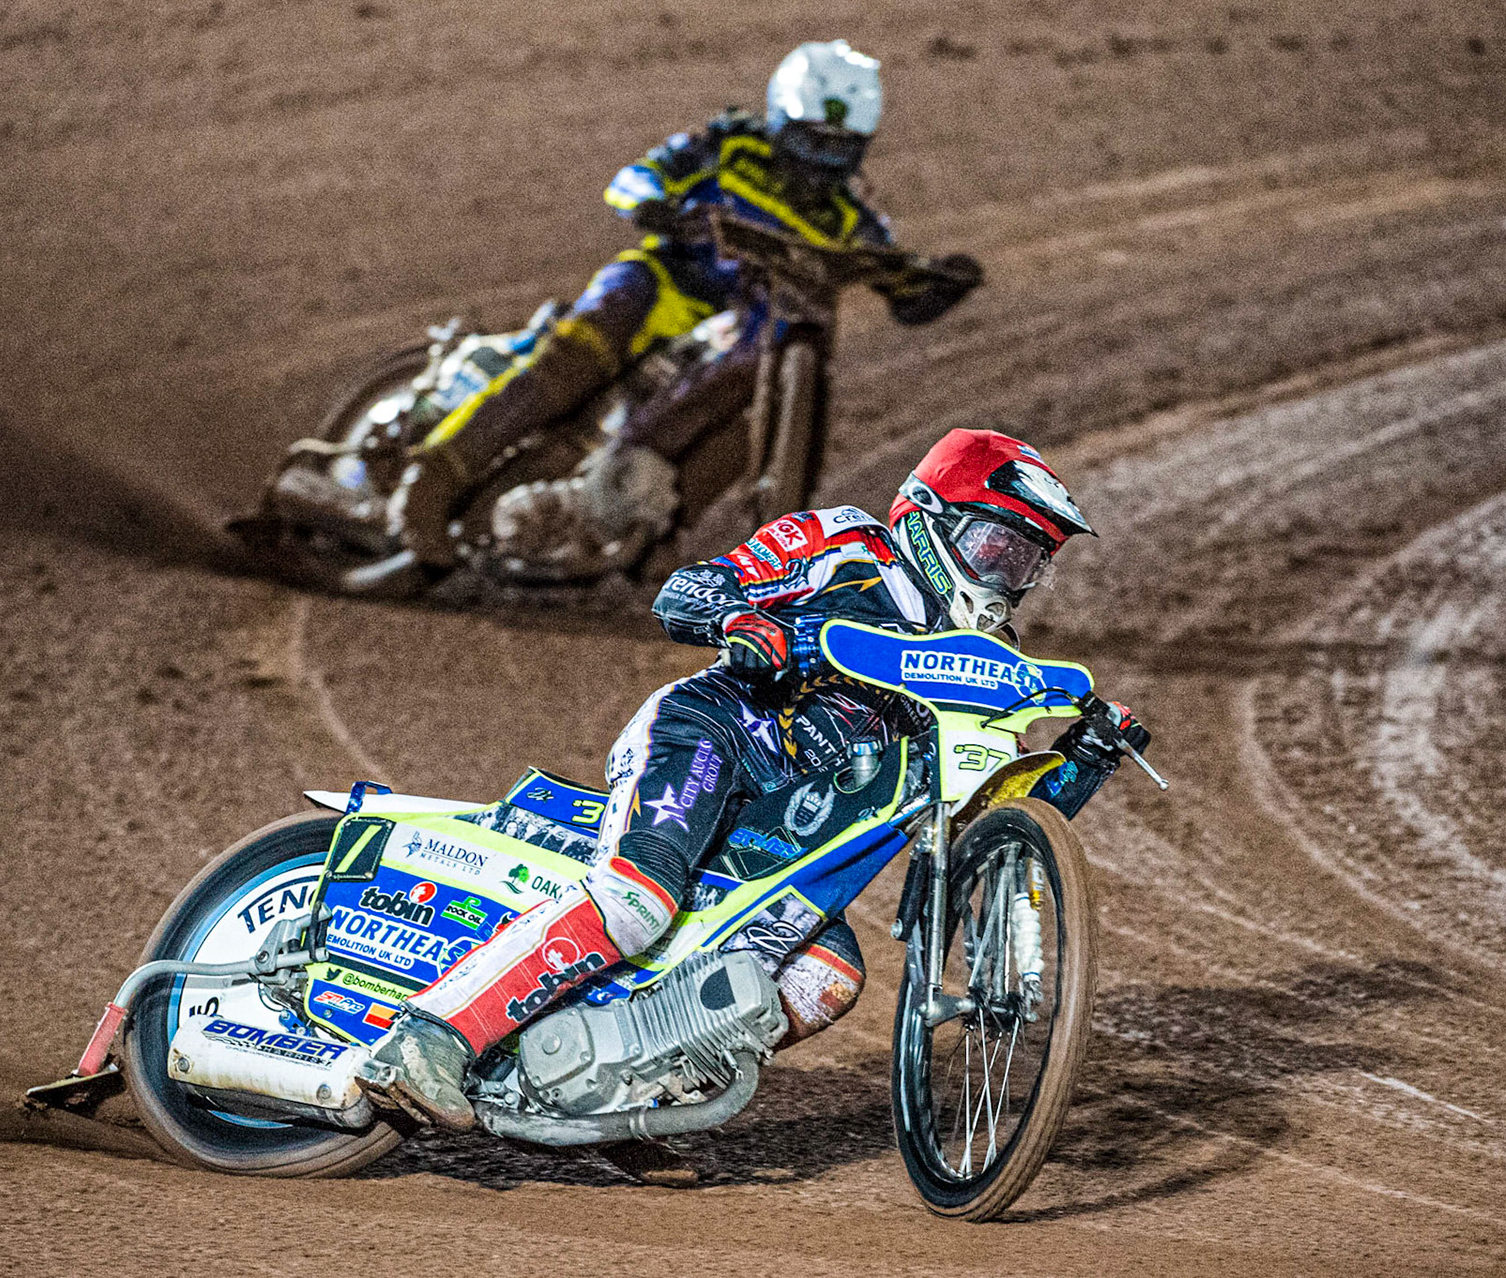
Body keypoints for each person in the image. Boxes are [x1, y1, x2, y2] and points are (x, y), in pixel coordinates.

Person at [371, 428, 1151, 1131]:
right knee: (637, 900)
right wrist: (747, 620)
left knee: (830, 973)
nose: (1007, 578)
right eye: (996, 549)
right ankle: (429, 1038)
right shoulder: (847, 544)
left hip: (792, 826)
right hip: (715, 734)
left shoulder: (989, 665)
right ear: (927, 518)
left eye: (1027, 565)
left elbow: (982, 826)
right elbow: (690, 590)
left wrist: (1081, 761)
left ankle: (623, 1095)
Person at [387, 39, 982, 566]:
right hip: (665, 287)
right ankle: (430, 480)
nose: (822, 164)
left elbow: (904, 293)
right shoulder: (728, 147)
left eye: (841, 150)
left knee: (746, 415)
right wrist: (656, 206)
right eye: (809, 142)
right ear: (780, 120)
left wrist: (942, 282)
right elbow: (635, 179)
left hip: (749, 335)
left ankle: (654, 534)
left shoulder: (855, 223)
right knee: (587, 340)